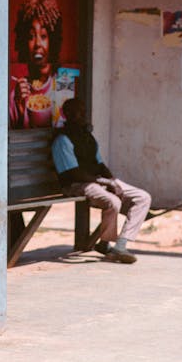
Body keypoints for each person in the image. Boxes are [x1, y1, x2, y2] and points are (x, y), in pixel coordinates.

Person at [51, 98, 151, 264]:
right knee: (113, 202)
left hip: (97, 181)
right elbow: (73, 174)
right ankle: (105, 244)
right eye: (76, 113)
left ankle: (120, 244)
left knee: (143, 197)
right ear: (66, 115)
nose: (81, 116)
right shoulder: (62, 140)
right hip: (76, 184)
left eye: (83, 113)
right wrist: (105, 182)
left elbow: (100, 164)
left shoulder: (87, 137)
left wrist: (112, 181)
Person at [9, 0, 63, 129]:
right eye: (31, 36)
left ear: (53, 41)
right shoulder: (17, 95)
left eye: (43, 36)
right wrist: (20, 110)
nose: (38, 43)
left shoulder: (63, 87)